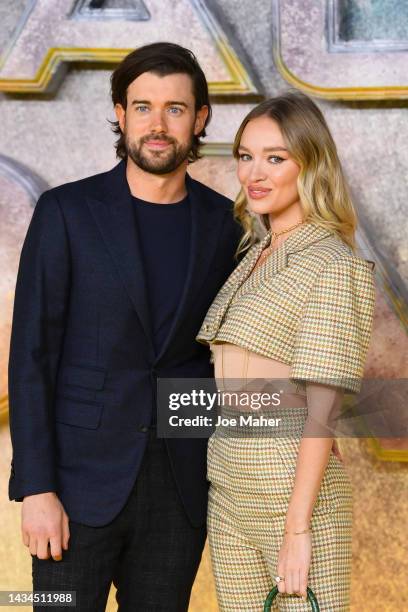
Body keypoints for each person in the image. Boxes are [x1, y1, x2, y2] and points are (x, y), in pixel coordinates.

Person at [8, 42, 241, 611]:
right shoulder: (66, 212)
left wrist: (311, 419)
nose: (158, 125)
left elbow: (224, 360)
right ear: (119, 112)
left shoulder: (225, 224)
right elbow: (32, 354)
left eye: (175, 108)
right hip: (75, 489)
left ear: (201, 117)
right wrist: (36, 488)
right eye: (143, 107)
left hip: (179, 493)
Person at [197, 92, 376, 611]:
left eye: (275, 158)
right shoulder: (253, 253)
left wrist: (298, 528)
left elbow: (323, 407)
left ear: (311, 164)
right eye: (246, 155)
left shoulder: (332, 262)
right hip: (227, 484)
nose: (255, 172)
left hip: (290, 495)